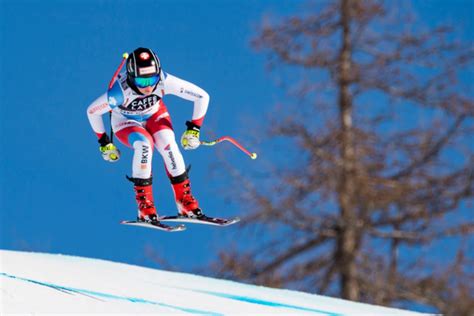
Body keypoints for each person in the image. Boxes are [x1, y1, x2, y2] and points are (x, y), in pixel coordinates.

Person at [86, 47, 209, 223]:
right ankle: (145, 206)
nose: (149, 86)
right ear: (130, 77)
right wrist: (104, 143)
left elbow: (202, 96)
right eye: (142, 82)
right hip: (126, 122)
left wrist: (194, 130)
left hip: (154, 115)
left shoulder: (164, 81)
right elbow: (92, 111)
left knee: (169, 145)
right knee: (144, 145)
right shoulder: (120, 92)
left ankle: (185, 202)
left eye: (152, 79)